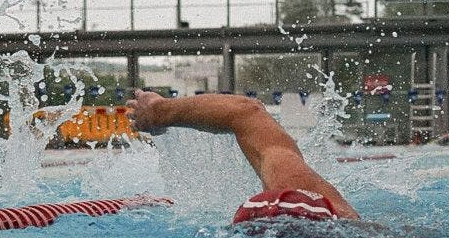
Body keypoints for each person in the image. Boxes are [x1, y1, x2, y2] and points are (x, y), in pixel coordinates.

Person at [126, 89, 361, 224]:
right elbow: (246, 113)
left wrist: (157, 110)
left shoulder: (294, 191)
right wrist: (160, 111)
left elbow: (247, 112)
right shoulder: (352, 229)